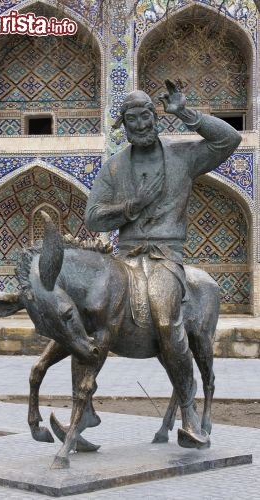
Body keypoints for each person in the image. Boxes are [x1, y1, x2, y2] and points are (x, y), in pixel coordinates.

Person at [85, 79, 241, 448]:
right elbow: (93, 217)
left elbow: (229, 140)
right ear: (123, 126)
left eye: (145, 117)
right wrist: (128, 208)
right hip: (126, 256)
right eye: (131, 120)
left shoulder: (183, 158)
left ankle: (188, 413)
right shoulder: (114, 169)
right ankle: (83, 410)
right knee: (89, 316)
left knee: (167, 319)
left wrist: (187, 114)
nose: (139, 125)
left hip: (165, 256)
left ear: (155, 118)